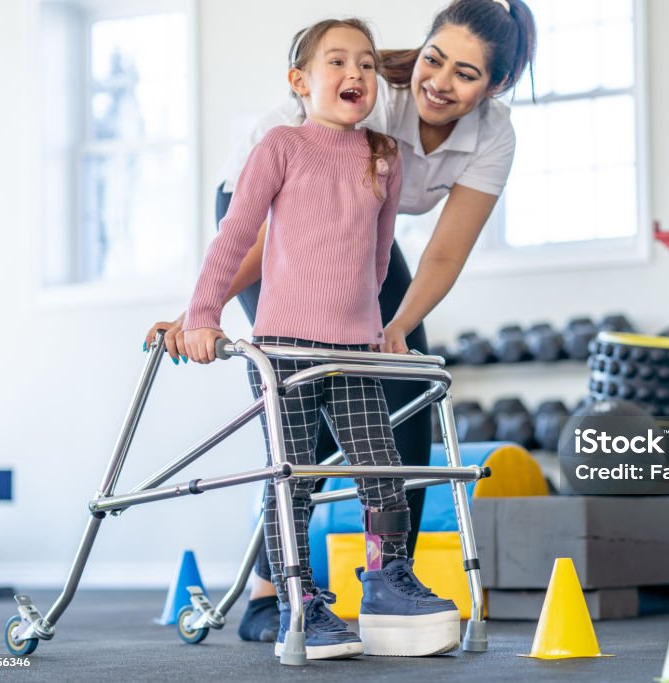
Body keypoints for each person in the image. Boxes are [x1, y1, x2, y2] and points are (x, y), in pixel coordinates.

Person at [145, 0, 537, 644]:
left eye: (466, 75)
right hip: (271, 210)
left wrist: (397, 330)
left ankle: (388, 581)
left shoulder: (494, 135)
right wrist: (198, 310)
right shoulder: (370, 91)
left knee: (402, 389)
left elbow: (443, 250)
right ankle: (274, 595)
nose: (438, 82)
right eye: (433, 58)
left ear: (495, 87)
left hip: (356, 227)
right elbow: (257, 227)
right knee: (304, 399)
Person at [183, 18, 463, 660]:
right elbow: (234, 239)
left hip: (352, 351)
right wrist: (202, 314)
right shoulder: (279, 145)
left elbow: (376, 257)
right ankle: (297, 601)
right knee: (294, 479)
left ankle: (388, 580)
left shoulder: (384, 157)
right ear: (300, 82)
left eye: (366, 64)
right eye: (337, 62)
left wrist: (383, 332)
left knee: (382, 471)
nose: (355, 75)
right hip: (283, 349)